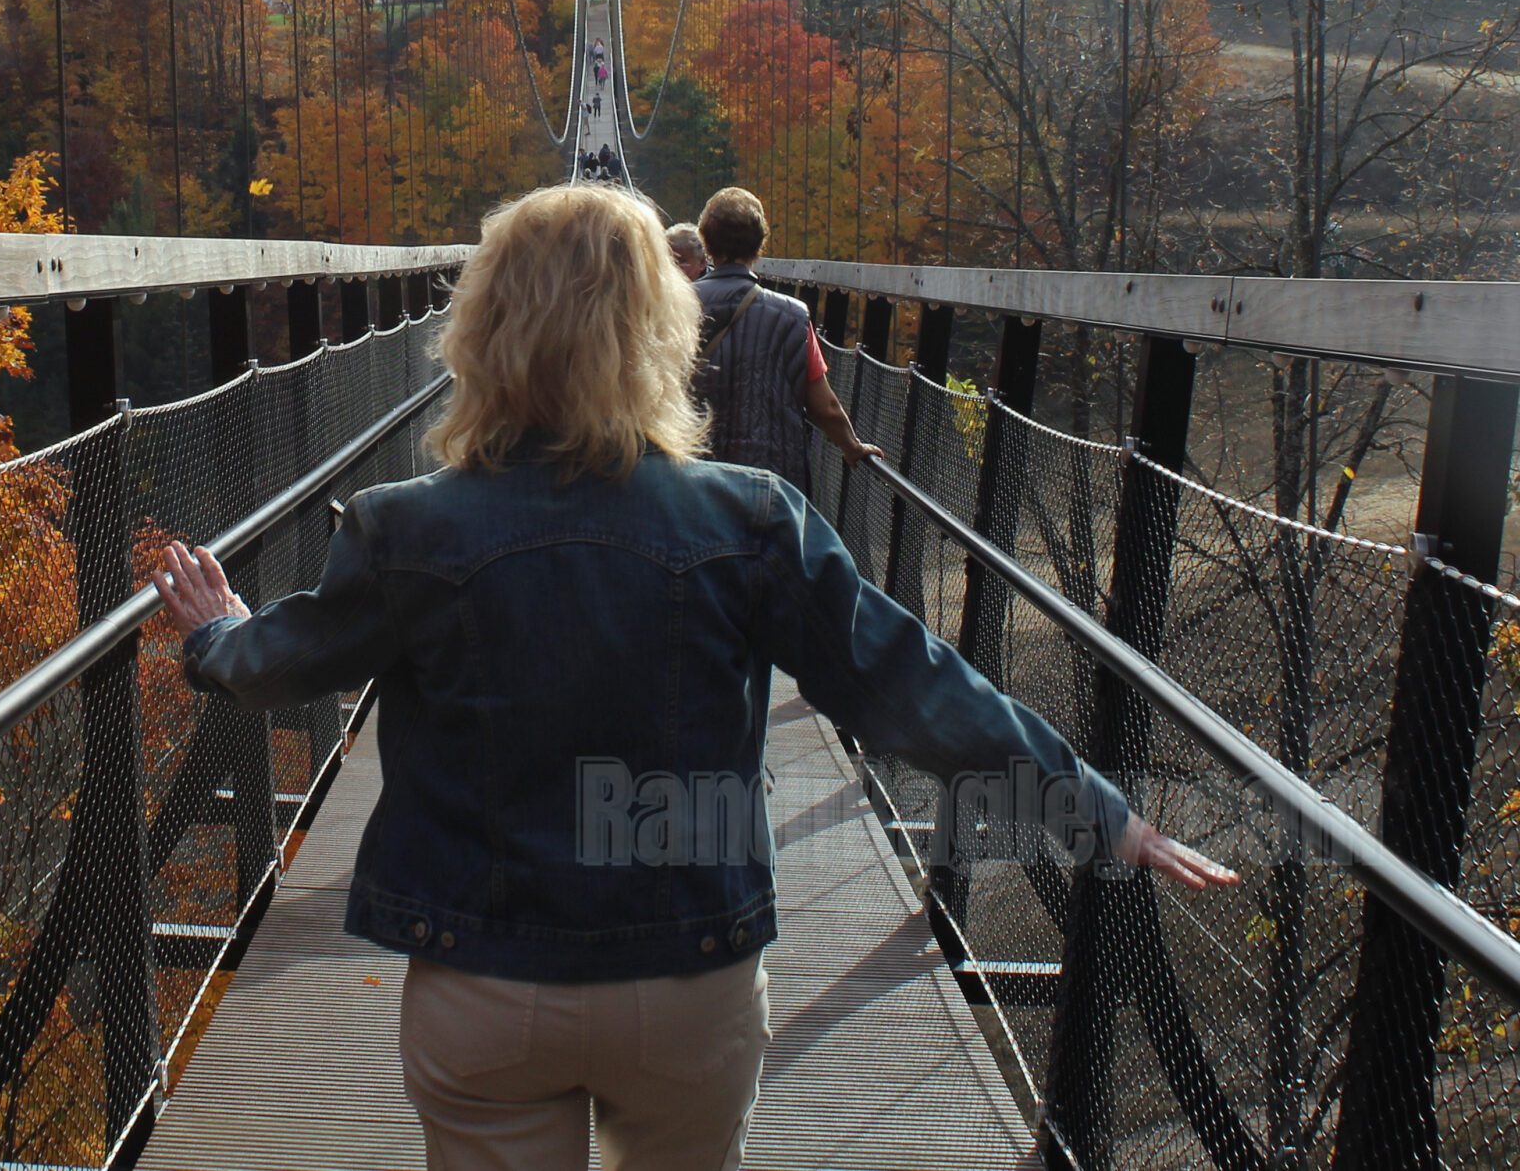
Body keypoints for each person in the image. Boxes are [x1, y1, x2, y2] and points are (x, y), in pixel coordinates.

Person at [151, 184, 1233, 1171]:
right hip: (689, 973)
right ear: (661, 331)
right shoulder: (753, 519)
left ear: (477, 330)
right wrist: (1095, 810)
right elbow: (903, 680)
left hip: (482, 971)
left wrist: (217, 634)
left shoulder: (405, 528)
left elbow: (286, 665)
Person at [689, 185, 873, 489]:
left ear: (706, 242)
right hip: (772, 482)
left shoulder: (675, 307)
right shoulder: (794, 316)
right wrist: (851, 446)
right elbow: (823, 405)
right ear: (761, 242)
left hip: (694, 479)